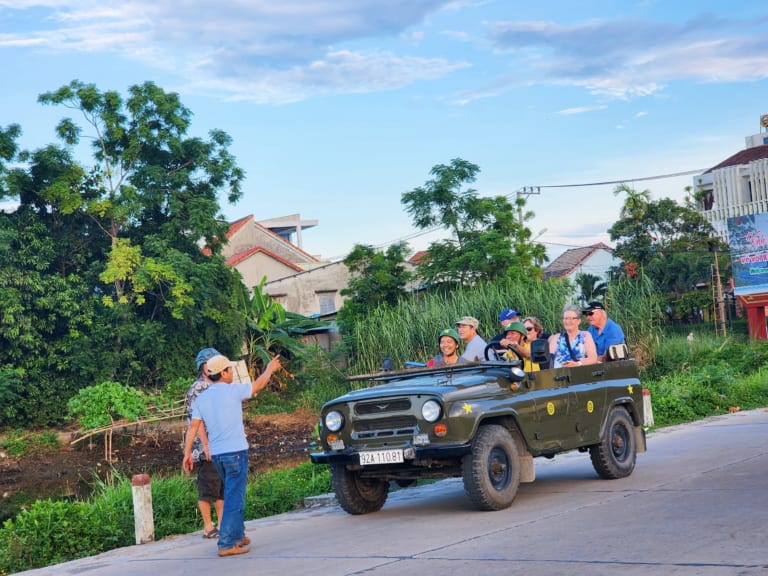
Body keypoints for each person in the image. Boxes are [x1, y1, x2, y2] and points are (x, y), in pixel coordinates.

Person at [183, 354, 282, 557]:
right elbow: (258, 385)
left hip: (217, 456)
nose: (232, 373)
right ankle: (226, 543)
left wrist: (187, 454)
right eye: (230, 369)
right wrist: (270, 369)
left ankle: (237, 536)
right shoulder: (232, 391)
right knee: (233, 498)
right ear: (224, 373)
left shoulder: (202, 398)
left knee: (233, 494)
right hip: (235, 452)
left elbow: (193, 428)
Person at [185, 347, 224, 540]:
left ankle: (223, 523)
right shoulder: (198, 388)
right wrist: (206, 445)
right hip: (204, 447)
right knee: (208, 486)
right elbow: (196, 421)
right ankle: (208, 526)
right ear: (204, 366)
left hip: (219, 443)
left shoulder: (218, 385)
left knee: (220, 485)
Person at [549, 304, 598, 368]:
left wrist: (577, 363)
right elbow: (549, 360)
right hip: (559, 375)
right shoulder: (557, 337)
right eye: (565, 318)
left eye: (572, 318)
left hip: (578, 374)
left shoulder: (585, 335)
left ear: (579, 321)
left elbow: (593, 358)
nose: (568, 321)